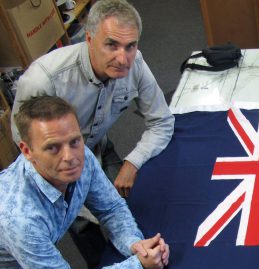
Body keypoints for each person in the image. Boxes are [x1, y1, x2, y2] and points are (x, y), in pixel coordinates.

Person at [0, 95, 170, 269]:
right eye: (52, 147)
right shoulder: (18, 217)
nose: (70, 156)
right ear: (27, 150)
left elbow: (111, 208)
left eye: (74, 141)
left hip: (26, 257)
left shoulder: (81, 158)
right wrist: (138, 266)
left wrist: (134, 244)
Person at [10, 0, 174, 199]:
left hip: (97, 146)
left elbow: (162, 121)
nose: (123, 59)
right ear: (89, 39)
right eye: (111, 45)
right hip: (57, 167)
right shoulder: (44, 81)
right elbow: (28, 146)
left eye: (130, 46)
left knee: (134, 204)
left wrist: (132, 163)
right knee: (88, 225)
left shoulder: (135, 62)